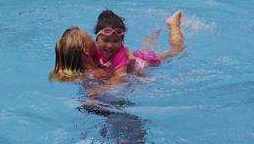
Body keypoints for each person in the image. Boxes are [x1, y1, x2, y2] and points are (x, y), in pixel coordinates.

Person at [49, 10, 184, 96]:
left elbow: (120, 77)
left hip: (143, 63)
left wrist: (100, 90)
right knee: (145, 50)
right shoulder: (93, 59)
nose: (109, 45)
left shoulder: (102, 58)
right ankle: (149, 39)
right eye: (90, 38)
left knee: (176, 50)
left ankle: (173, 24)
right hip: (134, 59)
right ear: (85, 49)